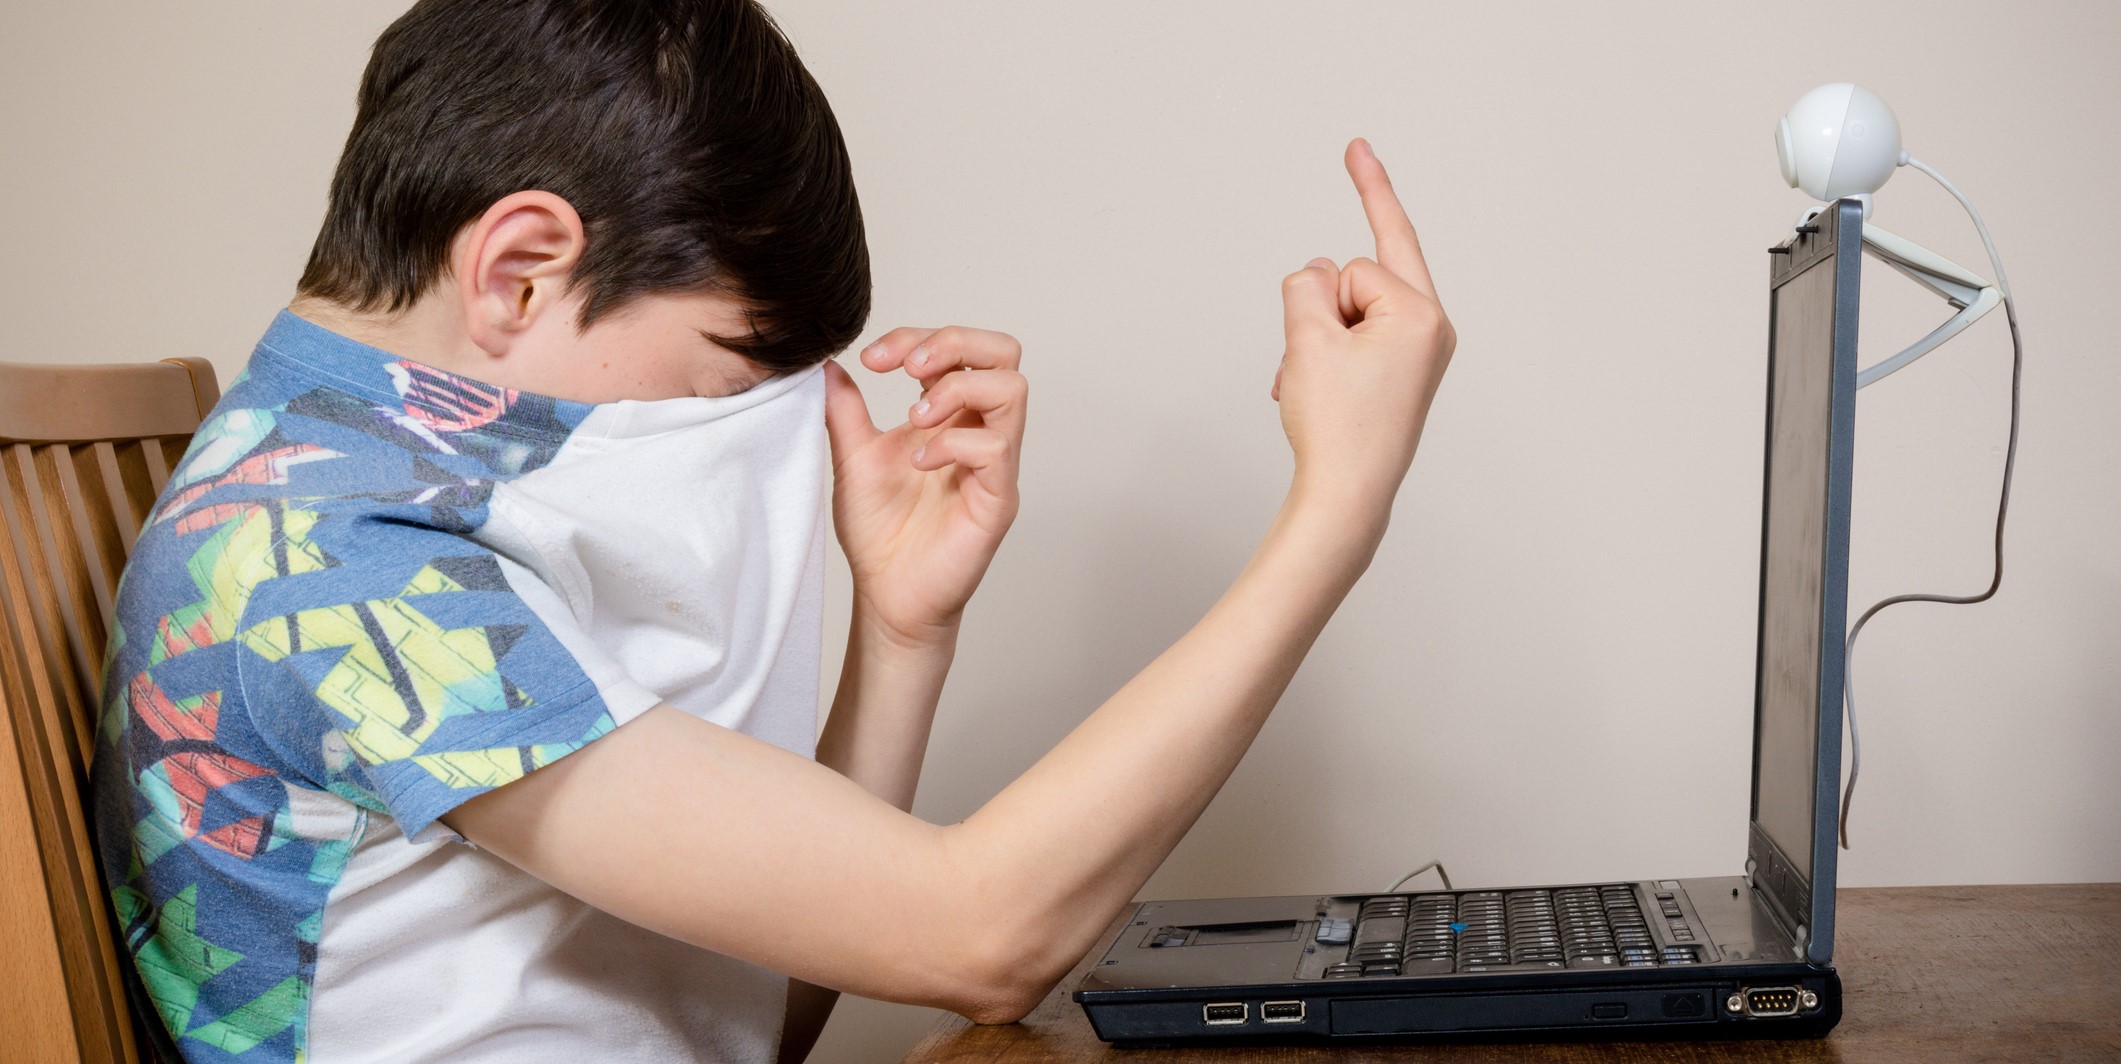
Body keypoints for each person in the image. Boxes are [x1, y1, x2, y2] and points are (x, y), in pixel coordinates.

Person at [88, 0, 1455, 1061]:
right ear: (518, 270)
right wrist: (1336, 507)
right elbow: (977, 937)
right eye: (711, 383)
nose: (725, 440)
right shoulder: (325, 570)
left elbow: (751, 1017)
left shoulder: (324, 492)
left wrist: (903, 624)